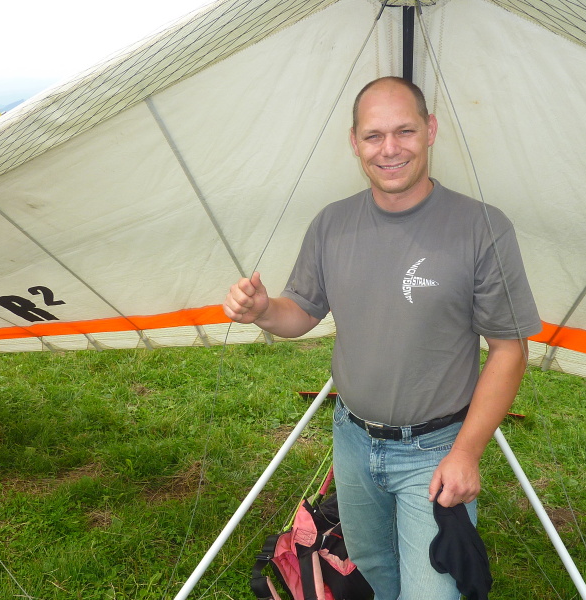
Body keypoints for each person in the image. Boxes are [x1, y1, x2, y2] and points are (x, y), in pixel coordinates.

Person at [223, 76, 541, 600]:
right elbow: (301, 313)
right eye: (373, 136)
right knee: (372, 569)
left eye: (404, 131)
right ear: (355, 143)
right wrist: (262, 311)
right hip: (352, 439)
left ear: (430, 130)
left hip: (436, 449)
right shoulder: (331, 224)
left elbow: (510, 349)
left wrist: (467, 453)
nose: (389, 149)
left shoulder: (482, 227)